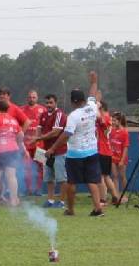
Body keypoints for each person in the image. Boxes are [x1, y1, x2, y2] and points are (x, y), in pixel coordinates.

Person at [44, 71, 104, 217]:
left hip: (75, 153)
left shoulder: (73, 116)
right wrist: (94, 81)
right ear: (83, 99)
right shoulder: (92, 107)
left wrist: (52, 148)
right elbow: (93, 93)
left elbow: (65, 135)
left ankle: (70, 210)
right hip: (91, 151)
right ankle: (98, 209)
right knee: (92, 181)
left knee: (71, 183)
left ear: (73, 102)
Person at [0, 101, 25, 206]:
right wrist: (17, 144)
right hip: (13, 149)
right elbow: (20, 135)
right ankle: (14, 200)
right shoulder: (13, 120)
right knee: (11, 176)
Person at [34, 94, 67, 209]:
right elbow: (39, 128)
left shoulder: (59, 114)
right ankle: (50, 200)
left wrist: (39, 138)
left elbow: (56, 132)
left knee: (61, 178)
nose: (48, 105)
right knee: (49, 178)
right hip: (46, 151)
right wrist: (37, 138)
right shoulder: (43, 114)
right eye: (47, 103)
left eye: (51, 102)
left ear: (55, 103)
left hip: (59, 151)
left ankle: (62, 202)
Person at [21, 90, 46, 196]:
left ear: (37, 98)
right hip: (26, 144)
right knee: (26, 167)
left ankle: (38, 189)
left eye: (34, 97)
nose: (32, 99)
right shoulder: (21, 109)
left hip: (39, 144)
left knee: (40, 167)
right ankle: (28, 189)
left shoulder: (43, 109)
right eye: (30, 97)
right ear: (27, 98)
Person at [96, 101, 120, 206]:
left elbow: (99, 118)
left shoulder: (105, 117)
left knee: (100, 176)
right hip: (106, 151)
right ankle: (115, 197)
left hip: (103, 150)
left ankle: (102, 199)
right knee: (106, 176)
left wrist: (95, 106)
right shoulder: (107, 117)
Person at [109, 112, 130, 200]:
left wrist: (122, 160)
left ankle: (124, 195)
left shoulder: (125, 132)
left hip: (122, 158)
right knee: (114, 176)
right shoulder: (112, 131)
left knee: (122, 176)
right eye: (112, 120)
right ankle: (116, 195)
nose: (112, 122)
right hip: (113, 157)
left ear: (119, 121)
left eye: (114, 120)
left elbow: (125, 147)